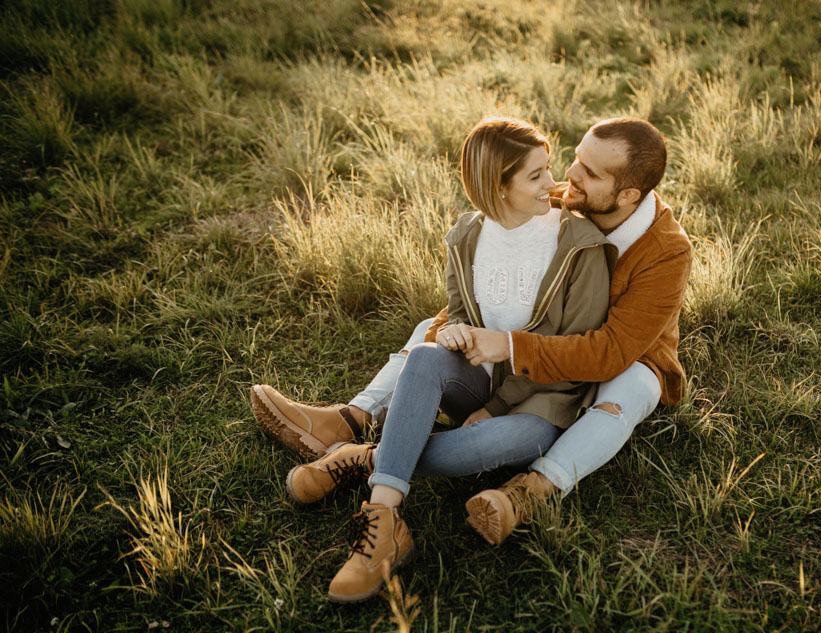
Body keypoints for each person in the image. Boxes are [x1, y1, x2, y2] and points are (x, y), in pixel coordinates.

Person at [251, 115, 692, 562]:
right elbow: (489, 291)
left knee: (634, 385)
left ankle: (528, 488)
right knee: (431, 332)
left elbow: (610, 352)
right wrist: (452, 331)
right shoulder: (562, 200)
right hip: (527, 362)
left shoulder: (666, 250)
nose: (568, 176)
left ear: (628, 195)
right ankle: (352, 417)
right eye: (577, 158)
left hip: (620, 360)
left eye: (590, 172)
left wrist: (507, 347)